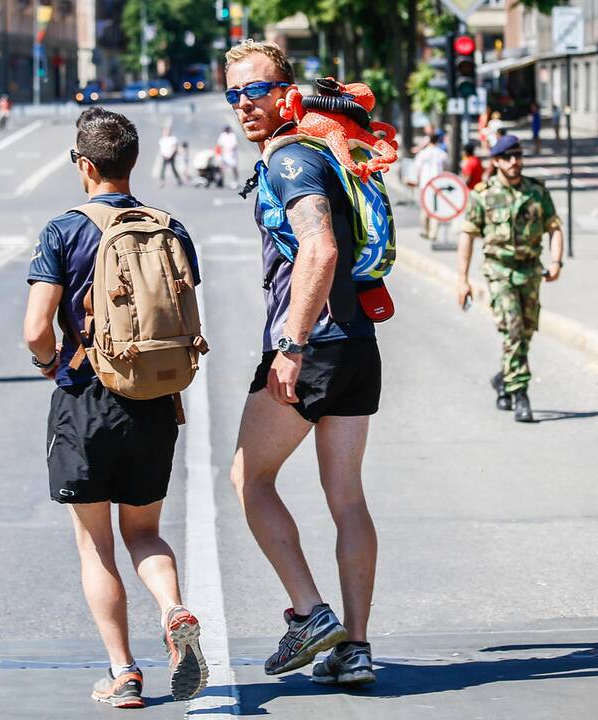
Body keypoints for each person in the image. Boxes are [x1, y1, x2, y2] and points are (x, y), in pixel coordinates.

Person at [24, 107, 207, 708]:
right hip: (155, 399)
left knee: (95, 545)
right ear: (132, 162)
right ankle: (174, 609)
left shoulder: (64, 229)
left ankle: (125, 673)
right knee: (145, 531)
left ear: (84, 164)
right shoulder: (169, 228)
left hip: (86, 400)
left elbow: (35, 330)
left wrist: (54, 366)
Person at [224, 38, 381, 687]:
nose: (244, 104)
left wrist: (290, 345)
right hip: (354, 345)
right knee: (345, 496)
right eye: (234, 93)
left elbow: (318, 250)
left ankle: (312, 613)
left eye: (257, 89)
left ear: (285, 91)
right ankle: (357, 647)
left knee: (247, 478)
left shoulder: (290, 160)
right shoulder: (315, 154)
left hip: (312, 345)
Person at [456, 135, 564, 423]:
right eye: (507, 157)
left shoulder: (537, 192)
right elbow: (467, 235)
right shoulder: (483, 195)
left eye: (518, 156)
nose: (514, 161)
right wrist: (462, 279)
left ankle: (503, 379)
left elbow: (554, 227)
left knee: (526, 333)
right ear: (496, 162)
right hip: (499, 271)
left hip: (530, 271)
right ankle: (521, 394)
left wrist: (555, 261)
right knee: (513, 330)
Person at [407, 133, 448, 241]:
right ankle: (433, 233)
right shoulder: (442, 153)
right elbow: (445, 166)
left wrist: (415, 180)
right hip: (437, 184)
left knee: (425, 209)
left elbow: (417, 168)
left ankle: (425, 230)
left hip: (425, 184)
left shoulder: (422, 153)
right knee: (435, 209)